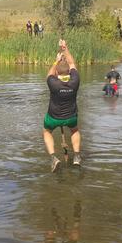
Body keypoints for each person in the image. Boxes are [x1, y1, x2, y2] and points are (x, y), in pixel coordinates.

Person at [43, 40, 82, 171]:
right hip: (71, 116)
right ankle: (77, 156)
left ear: (57, 73)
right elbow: (71, 63)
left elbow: (49, 74)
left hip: (54, 117)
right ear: (69, 73)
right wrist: (65, 48)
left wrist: (56, 61)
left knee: (47, 131)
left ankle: (53, 158)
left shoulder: (53, 83)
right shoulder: (75, 80)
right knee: (74, 130)